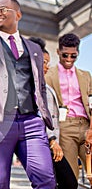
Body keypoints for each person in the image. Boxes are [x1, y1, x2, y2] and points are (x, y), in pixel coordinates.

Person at [0, 0, 56, 188]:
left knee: (46, 180)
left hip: (31, 121)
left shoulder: (35, 48)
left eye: (3, 9)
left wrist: (42, 117)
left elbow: (39, 85)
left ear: (18, 14)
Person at [29, 36, 78, 189]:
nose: (47, 67)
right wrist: (51, 141)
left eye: (48, 63)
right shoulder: (29, 85)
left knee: (57, 183)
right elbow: (35, 116)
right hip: (42, 143)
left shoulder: (43, 85)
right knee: (66, 182)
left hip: (50, 143)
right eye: (44, 62)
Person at [45, 33, 92, 183]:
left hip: (86, 126)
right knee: (70, 178)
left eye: (74, 56)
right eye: (65, 55)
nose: (69, 59)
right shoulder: (48, 75)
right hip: (64, 128)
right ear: (58, 52)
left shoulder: (86, 76)